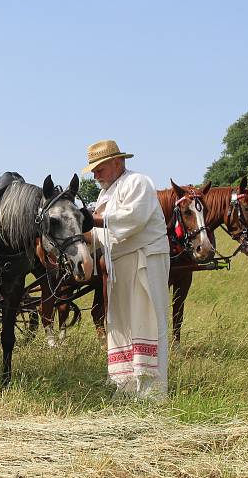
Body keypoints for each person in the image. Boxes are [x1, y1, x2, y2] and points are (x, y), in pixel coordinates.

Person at [84, 139, 170, 401]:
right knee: (121, 322)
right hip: (118, 263)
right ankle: (126, 386)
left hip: (146, 257)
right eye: (94, 170)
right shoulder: (104, 194)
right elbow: (99, 235)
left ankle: (154, 392)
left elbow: (133, 218)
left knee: (148, 319)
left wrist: (91, 218)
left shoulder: (138, 182)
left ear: (118, 162)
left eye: (100, 168)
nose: (96, 175)